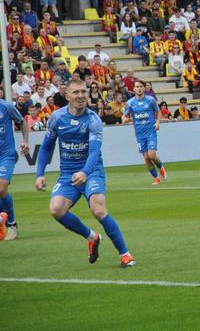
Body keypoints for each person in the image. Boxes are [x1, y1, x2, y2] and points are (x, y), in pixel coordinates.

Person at [35, 80, 135, 267]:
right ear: (67, 96)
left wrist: (85, 172)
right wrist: (39, 174)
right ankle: (92, 237)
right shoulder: (56, 118)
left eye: (83, 91)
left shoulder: (93, 119)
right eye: (76, 92)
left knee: (98, 209)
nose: (80, 96)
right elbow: (46, 147)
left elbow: (94, 152)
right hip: (68, 174)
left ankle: (125, 255)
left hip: (92, 170)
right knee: (56, 209)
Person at [122, 80, 167, 186]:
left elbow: (158, 111)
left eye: (141, 86)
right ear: (133, 89)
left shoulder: (150, 100)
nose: (139, 88)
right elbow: (124, 116)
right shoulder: (130, 103)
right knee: (146, 157)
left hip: (150, 131)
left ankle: (161, 167)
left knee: (152, 155)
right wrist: (124, 119)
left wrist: (157, 122)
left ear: (144, 88)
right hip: (139, 134)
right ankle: (156, 178)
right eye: (137, 86)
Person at [0, 99, 29, 241]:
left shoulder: (6, 107)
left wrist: (25, 141)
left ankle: (11, 223)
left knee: (1, 187)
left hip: (6, 154)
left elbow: (22, 122)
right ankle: (2, 221)